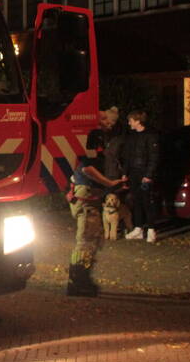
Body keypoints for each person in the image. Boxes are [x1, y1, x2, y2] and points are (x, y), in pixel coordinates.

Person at [66, 155, 125, 297]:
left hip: (89, 197)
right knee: (86, 240)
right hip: (87, 197)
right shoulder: (92, 147)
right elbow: (87, 168)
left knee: (92, 239)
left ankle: (81, 279)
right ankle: (77, 281)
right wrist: (109, 183)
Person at [121, 110, 160, 242]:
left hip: (144, 174)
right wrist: (125, 173)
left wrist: (148, 174)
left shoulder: (150, 136)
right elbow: (128, 156)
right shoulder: (132, 137)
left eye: (131, 120)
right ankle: (138, 228)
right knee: (136, 200)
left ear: (137, 121)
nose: (129, 123)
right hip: (134, 173)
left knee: (146, 201)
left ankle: (151, 230)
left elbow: (154, 157)